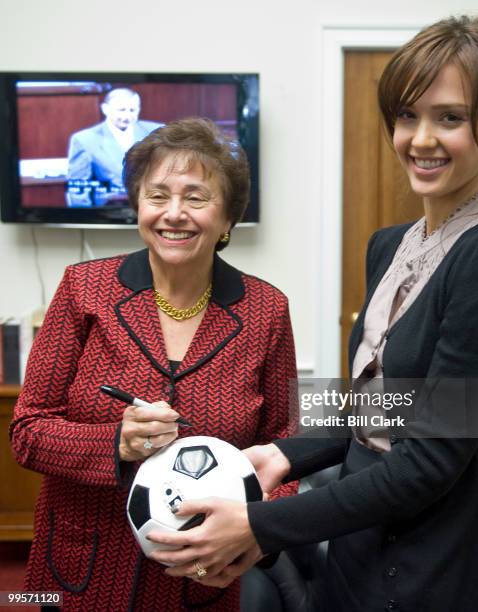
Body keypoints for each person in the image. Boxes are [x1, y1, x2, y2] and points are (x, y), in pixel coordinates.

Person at [143, 16, 478, 612]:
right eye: (407, 116)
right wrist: (283, 453)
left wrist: (260, 524)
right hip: (354, 555)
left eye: (450, 117)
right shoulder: (390, 245)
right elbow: (379, 400)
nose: (420, 138)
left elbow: (430, 461)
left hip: (425, 575)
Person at [10, 118, 297, 612]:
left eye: (196, 197)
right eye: (157, 195)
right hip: (80, 570)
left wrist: (259, 529)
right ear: (138, 206)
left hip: (202, 576)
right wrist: (114, 443)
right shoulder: (84, 290)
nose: (174, 214)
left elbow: (286, 445)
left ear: (228, 218)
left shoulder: (266, 310)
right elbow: (27, 432)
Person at [66, 87, 162, 206]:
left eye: (132, 110)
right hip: (108, 214)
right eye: (121, 110)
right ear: (105, 109)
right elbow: (78, 189)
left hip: (152, 210)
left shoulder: (157, 132)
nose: (127, 116)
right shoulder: (84, 140)